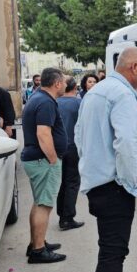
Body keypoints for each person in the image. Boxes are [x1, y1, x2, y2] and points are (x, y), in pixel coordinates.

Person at [75, 46, 137, 272]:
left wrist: (91, 167)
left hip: (98, 183)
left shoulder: (97, 92)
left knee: (109, 250)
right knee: (113, 253)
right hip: (114, 187)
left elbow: (78, 136)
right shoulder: (121, 95)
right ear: (132, 67)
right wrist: (130, 183)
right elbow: (126, 145)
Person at [21, 68, 68, 264]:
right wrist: (53, 159)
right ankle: (38, 251)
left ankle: (36, 243)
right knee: (44, 205)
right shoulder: (45, 102)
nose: (65, 84)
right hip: (43, 160)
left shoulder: (38, 97)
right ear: (57, 83)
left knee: (39, 202)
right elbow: (43, 134)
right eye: (64, 81)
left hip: (36, 159)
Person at [56, 77, 85, 231]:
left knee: (62, 182)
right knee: (72, 182)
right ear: (75, 88)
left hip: (58, 147)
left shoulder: (55, 102)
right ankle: (67, 217)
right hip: (74, 147)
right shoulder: (79, 104)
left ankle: (61, 213)